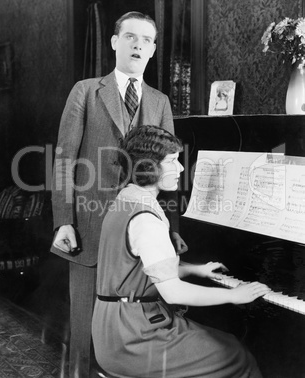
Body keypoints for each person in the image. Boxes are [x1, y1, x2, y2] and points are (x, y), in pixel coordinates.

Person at [51, 12, 186, 377]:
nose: (138, 44)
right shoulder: (86, 91)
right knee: (84, 328)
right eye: (130, 37)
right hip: (89, 228)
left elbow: (168, 167)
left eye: (146, 39)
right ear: (114, 42)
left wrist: (171, 228)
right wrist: (63, 221)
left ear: (154, 49)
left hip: (139, 232)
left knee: (134, 327)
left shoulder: (159, 102)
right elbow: (64, 160)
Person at [92, 125, 271, 378]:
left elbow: (142, 269)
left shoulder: (125, 201)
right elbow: (173, 292)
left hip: (110, 327)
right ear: (149, 168)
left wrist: (196, 269)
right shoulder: (146, 219)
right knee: (235, 355)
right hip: (134, 337)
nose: (181, 169)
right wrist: (234, 295)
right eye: (173, 161)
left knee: (225, 342)